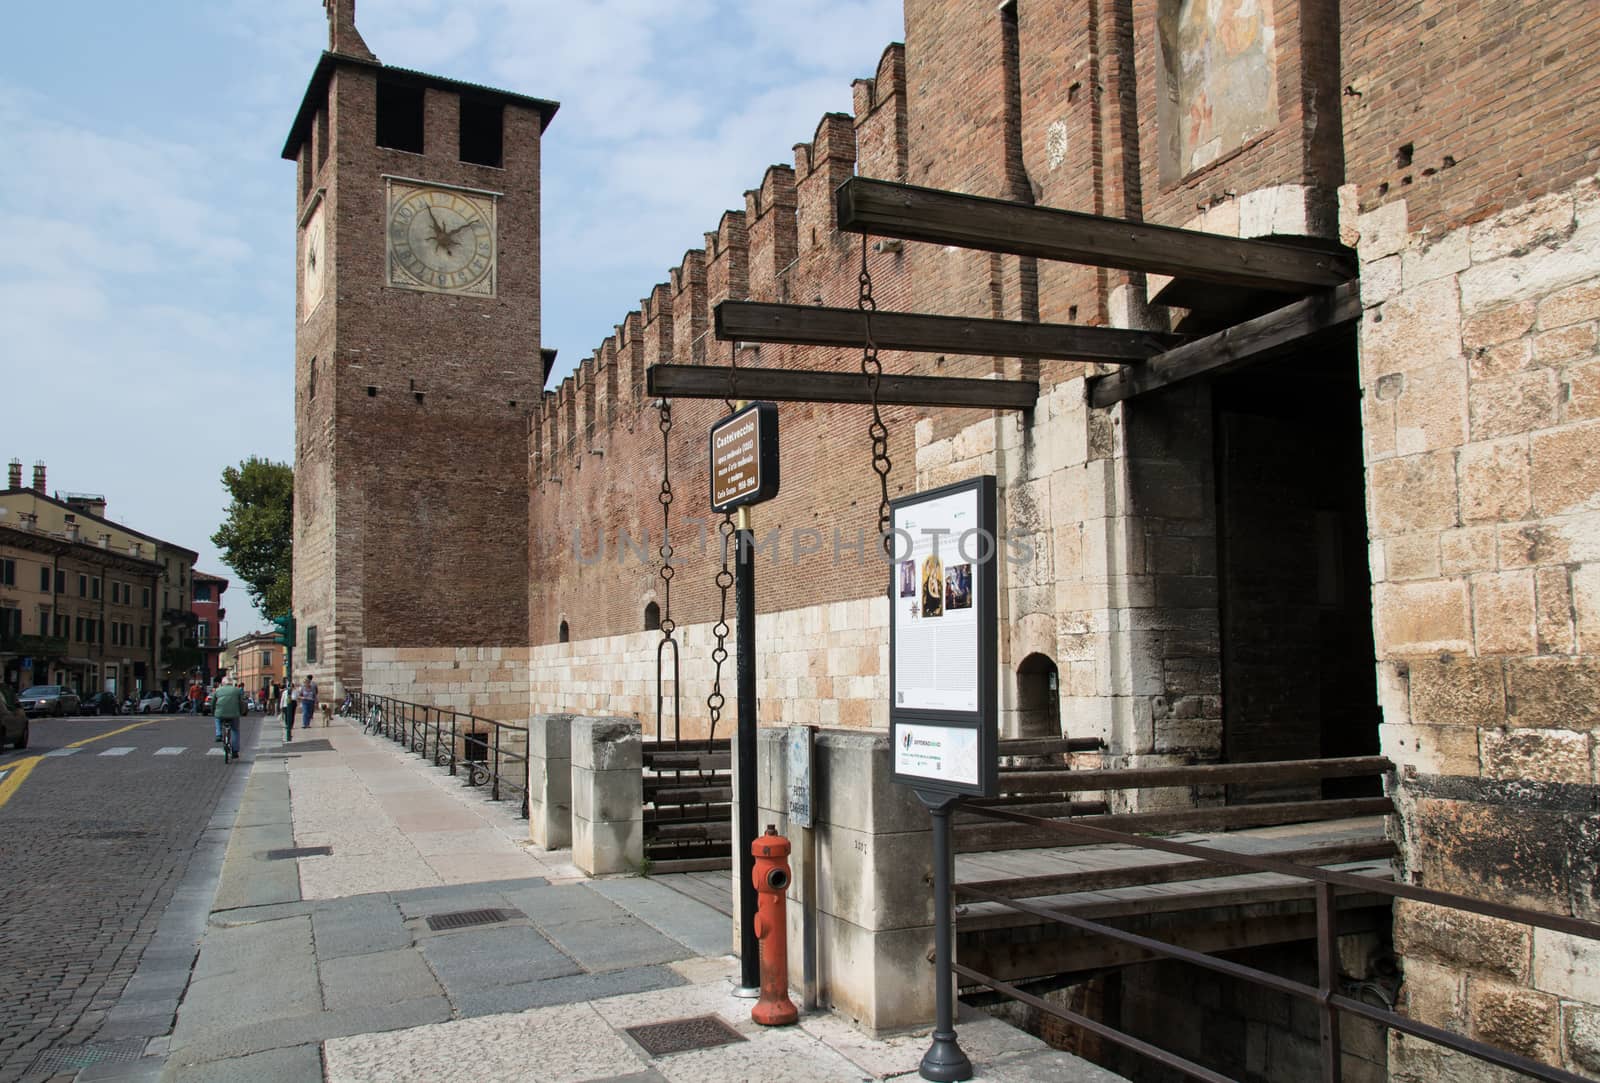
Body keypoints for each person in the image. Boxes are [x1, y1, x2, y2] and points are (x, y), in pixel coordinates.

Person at [213, 677, 244, 758]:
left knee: (217, 719)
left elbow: (213, 702)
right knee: (235, 731)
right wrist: (241, 712)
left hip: (220, 713)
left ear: (223, 683)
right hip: (234, 714)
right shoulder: (237, 690)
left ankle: (218, 734)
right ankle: (235, 751)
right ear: (231, 683)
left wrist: (213, 712)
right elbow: (241, 703)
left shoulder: (218, 690)